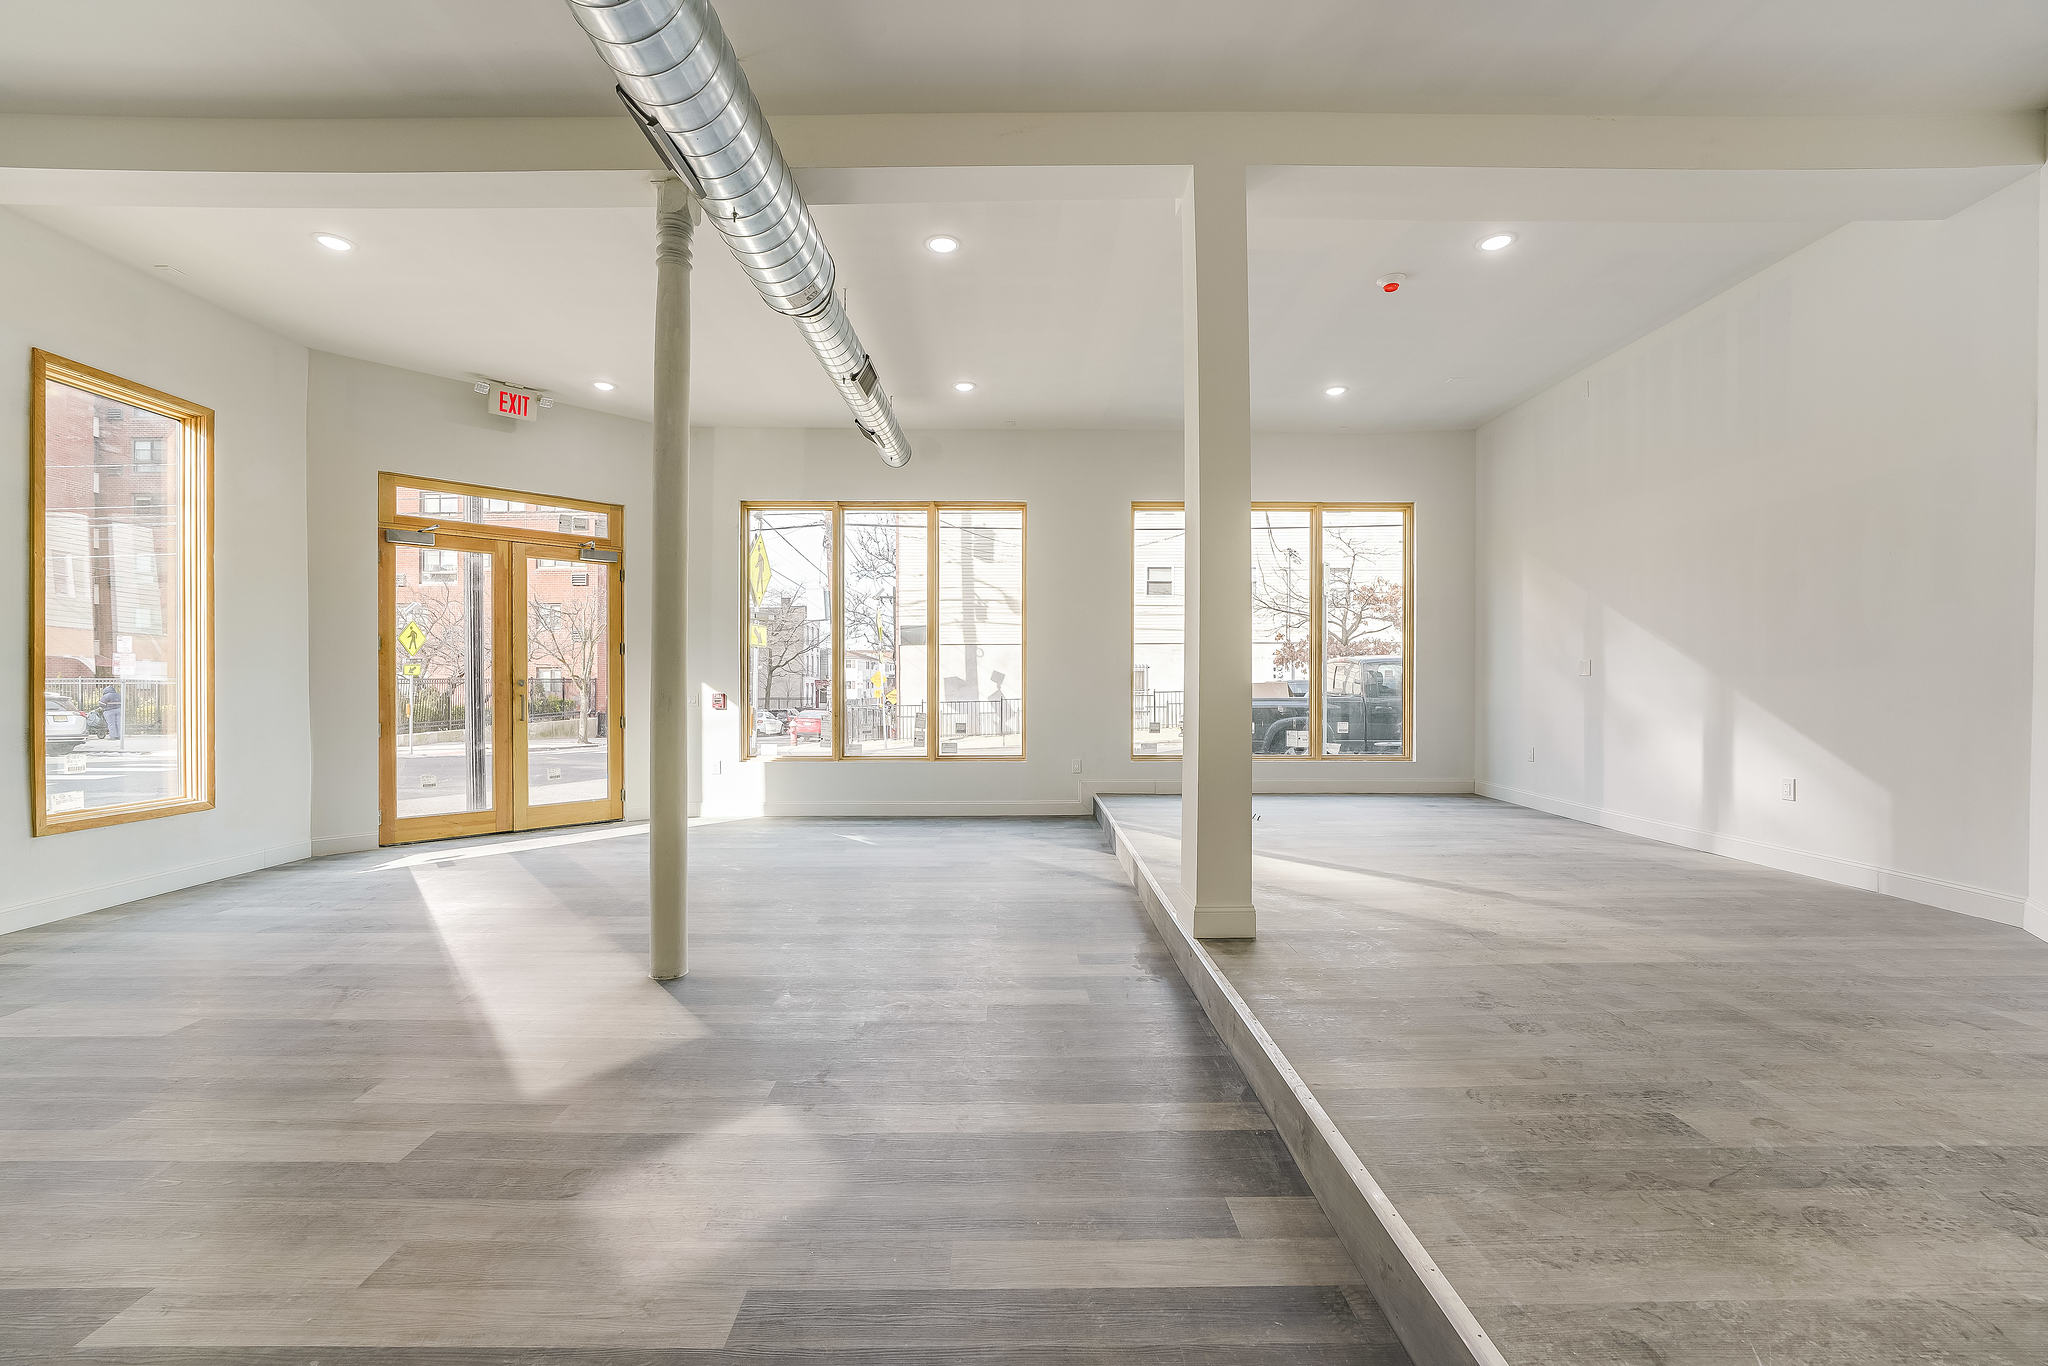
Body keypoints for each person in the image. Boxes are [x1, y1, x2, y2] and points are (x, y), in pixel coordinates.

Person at [99, 682, 122, 746]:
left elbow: (101, 704)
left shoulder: (106, 696)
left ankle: (113, 736)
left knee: (111, 724)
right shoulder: (118, 695)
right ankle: (119, 736)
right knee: (119, 723)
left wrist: (103, 708)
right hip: (119, 710)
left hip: (109, 711)